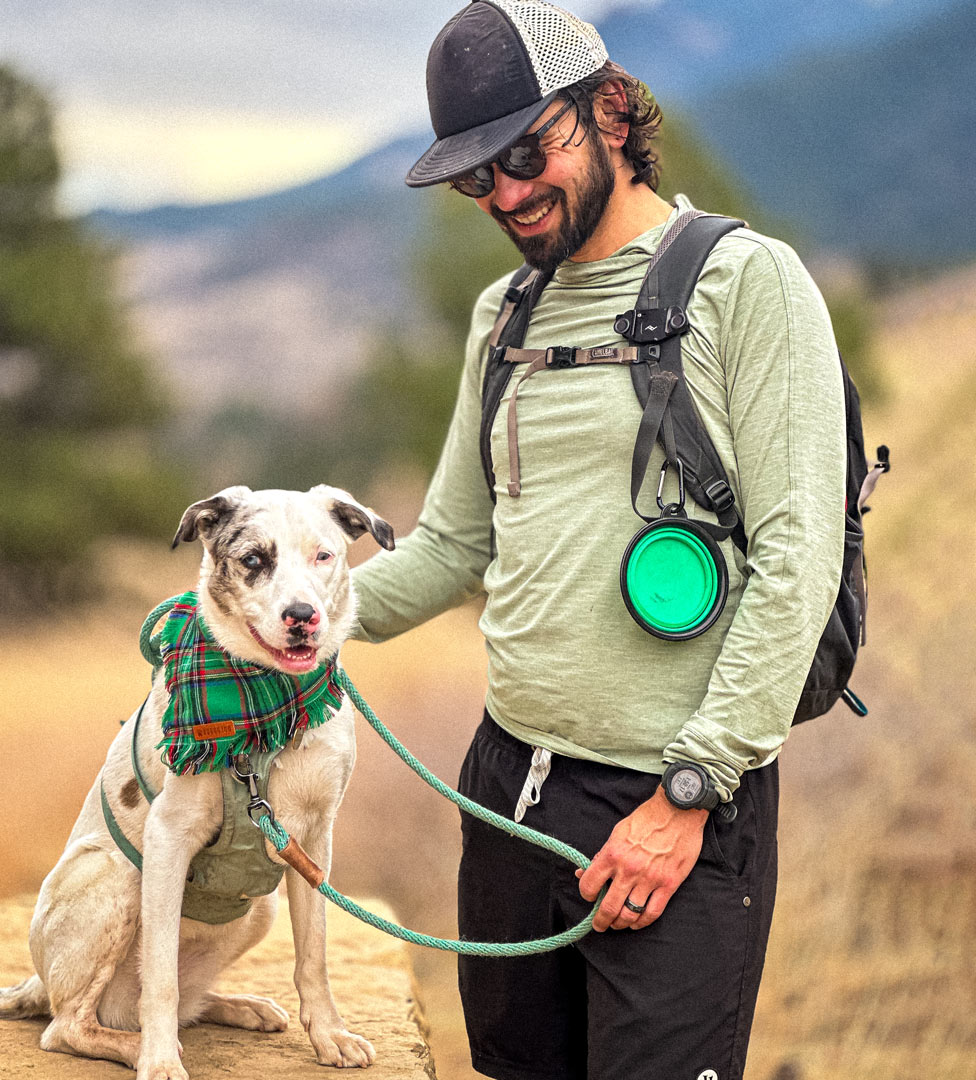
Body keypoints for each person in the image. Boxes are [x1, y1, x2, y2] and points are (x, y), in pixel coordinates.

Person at [350, 2, 846, 1078]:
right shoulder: (505, 317)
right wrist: (290, 617)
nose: (509, 194)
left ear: (613, 111)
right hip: (506, 792)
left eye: (528, 151)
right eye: (479, 177)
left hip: (671, 804)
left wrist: (688, 798)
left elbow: (797, 564)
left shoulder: (745, 285)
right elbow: (448, 546)